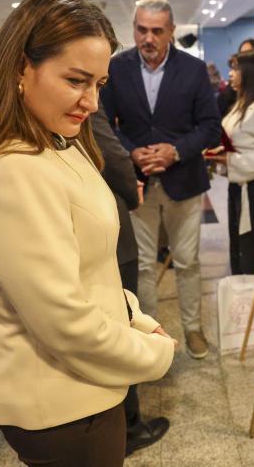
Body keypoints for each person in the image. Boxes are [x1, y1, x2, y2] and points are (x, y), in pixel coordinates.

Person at [0, 0, 175, 467]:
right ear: (22, 67)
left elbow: (87, 271)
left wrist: (135, 318)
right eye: (76, 80)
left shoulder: (52, 138)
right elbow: (62, 320)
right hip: (63, 401)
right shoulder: (13, 169)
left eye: (99, 84)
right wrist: (154, 356)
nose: (91, 102)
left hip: (79, 387)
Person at [101, 0, 221, 359]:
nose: (148, 38)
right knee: (142, 265)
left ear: (171, 31)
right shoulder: (116, 67)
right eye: (141, 30)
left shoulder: (193, 69)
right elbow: (102, 122)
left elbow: (210, 127)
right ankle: (150, 336)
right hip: (136, 181)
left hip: (183, 180)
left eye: (156, 31)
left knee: (188, 261)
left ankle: (193, 328)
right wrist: (131, 151)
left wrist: (175, 151)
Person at [89, 106, 171, 457]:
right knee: (119, 320)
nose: (88, 98)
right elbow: (113, 156)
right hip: (103, 224)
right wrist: (129, 183)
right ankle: (129, 424)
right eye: (78, 81)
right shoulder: (83, 109)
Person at [210, 50, 254, 275]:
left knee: (252, 249)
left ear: (249, 73)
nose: (230, 74)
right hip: (238, 186)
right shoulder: (240, 105)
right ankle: (241, 290)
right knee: (238, 246)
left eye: (235, 69)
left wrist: (231, 160)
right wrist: (222, 154)